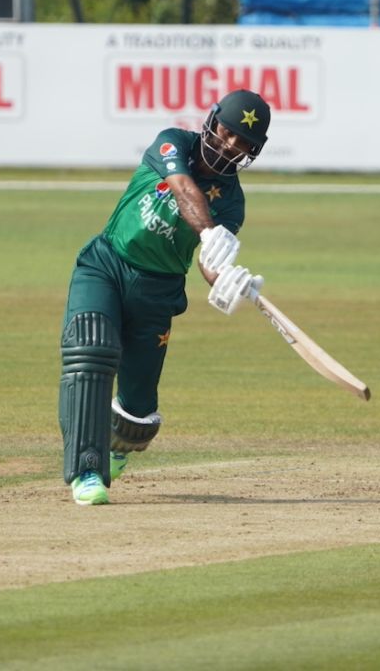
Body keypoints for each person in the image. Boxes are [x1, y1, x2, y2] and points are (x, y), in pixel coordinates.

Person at [59, 89, 272, 506]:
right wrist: (209, 232)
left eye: (242, 142)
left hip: (158, 292)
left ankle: (116, 447)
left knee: (137, 418)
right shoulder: (173, 142)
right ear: (212, 122)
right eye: (227, 132)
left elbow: (210, 262)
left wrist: (227, 279)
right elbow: (183, 189)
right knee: (90, 349)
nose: (230, 145)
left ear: (252, 151)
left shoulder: (231, 203)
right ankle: (87, 469)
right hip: (107, 265)